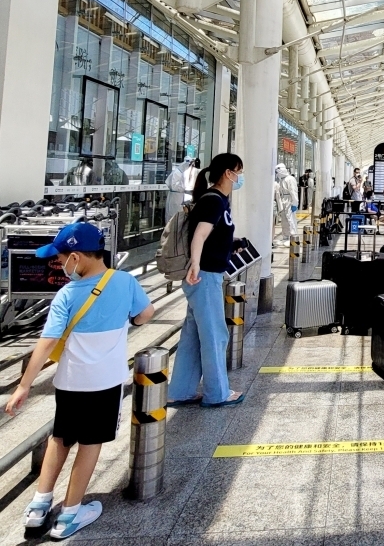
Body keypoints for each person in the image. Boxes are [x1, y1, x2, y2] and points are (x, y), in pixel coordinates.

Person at [6, 222, 154, 539]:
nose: (60, 264)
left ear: (76, 257)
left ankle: (38, 507)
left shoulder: (66, 294)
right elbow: (146, 314)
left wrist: (24, 385)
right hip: (106, 382)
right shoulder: (125, 281)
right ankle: (70, 514)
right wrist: (130, 317)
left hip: (70, 382)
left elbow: (47, 342)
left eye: (60, 258)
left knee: (60, 438)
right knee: (90, 444)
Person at [166, 153, 246, 409]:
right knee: (214, 335)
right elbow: (199, 235)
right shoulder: (213, 200)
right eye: (239, 171)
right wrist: (196, 265)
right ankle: (217, 393)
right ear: (228, 173)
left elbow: (210, 235)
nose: (240, 177)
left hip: (206, 275)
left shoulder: (218, 200)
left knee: (192, 336)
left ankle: (180, 391)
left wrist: (230, 245)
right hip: (204, 276)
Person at [273, 163, 298, 246]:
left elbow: (293, 192)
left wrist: (294, 203)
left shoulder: (290, 179)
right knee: (284, 220)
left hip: (289, 200)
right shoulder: (281, 180)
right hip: (283, 200)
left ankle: (293, 237)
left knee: (290, 219)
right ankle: (286, 237)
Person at [165, 157, 192, 223]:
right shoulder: (177, 173)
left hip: (178, 198)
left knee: (178, 218)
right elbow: (174, 186)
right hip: (175, 198)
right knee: (173, 218)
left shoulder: (182, 172)